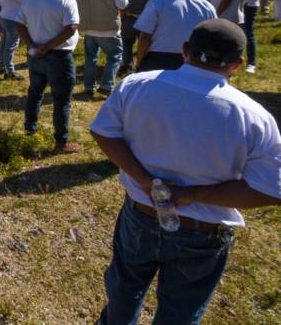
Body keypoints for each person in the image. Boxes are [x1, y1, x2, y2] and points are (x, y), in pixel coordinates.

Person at [90, 19, 281, 324]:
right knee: (179, 312)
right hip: (202, 231)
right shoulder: (253, 117)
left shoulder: (137, 85)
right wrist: (191, 195)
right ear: (237, 65)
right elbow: (269, 190)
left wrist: (144, 179)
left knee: (124, 292)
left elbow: (103, 131)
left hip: (141, 213)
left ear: (185, 50)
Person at [15, 0, 82, 153]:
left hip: (36, 55)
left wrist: (33, 45)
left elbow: (19, 25)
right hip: (59, 56)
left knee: (35, 93)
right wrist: (49, 46)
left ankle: (30, 128)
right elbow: (71, 27)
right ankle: (61, 141)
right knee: (61, 100)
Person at [134, 0, 217, 72]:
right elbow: (211, 39)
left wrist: (140, 62)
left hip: (158, 60)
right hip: (192, 61)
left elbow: (144, 36)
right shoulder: (207, 6)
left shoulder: (158, 2)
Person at [74, 0, 128, 95]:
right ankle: (106, 85)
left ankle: (89, 86)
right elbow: (122, 4)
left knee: (90, 58)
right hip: (108, 28)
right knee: (115, 56)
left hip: (87, 27)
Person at [118, 0, 165, 73]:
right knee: (147, 43)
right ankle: (144, 65)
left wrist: (122, 12)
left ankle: (127, 65)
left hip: (131, 17)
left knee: (127, 43)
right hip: (151, 19)